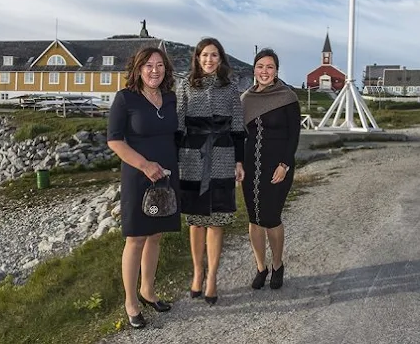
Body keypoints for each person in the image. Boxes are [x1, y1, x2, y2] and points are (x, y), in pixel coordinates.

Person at [107, 47, 181, 329]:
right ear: (138, 69)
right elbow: (114, 140)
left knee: (156, 235)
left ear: (166, 70)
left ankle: (147, 290)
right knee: (136, 238)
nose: (154, 70)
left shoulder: (171, 98)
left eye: (160, 65)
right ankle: (131, 302)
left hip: (166, 175)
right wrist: (145, 165)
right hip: (139, 176)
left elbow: (177, 134)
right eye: (149, 65)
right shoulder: (126, 99)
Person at [176, 37, 246, 305]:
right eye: (205, 55)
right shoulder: (184, 86)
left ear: (221, 58)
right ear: (197, 57)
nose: (209, 60)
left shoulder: (230, 88)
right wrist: (176, 159)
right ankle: (197, 272)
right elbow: (179, 125)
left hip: (222, 155)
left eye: (214, 55)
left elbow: (238, 127)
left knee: (216, 222)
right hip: (192, 159)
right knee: (195, 222)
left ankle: (213, 277)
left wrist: (239, 162)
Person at [240, 48, 300, 290]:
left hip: (278, 167)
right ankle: (260, 267)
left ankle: (277, 265)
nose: (264, 71)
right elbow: (238, 134)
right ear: (254, 70)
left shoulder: (287, 97)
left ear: (276, 71)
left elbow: (294, 135)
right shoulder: (246, 99)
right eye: (260, 67)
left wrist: (285, 164)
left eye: (270, 67)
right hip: (250, 166)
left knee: (271, 218)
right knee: (254, 219)